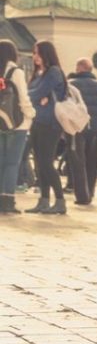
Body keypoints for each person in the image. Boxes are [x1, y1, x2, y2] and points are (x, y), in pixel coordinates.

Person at [25, 40, 67, 214]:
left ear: (46, 54)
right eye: (34, 53)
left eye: (38, 53)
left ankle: (60, 200)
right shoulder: (38, 74)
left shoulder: (54, 72)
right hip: (37, 121)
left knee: (46, 163)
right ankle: (43, 200)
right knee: (39, 164)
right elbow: (33, 94)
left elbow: (35, 93)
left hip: (50, 123)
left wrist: (36, 98)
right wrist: (37, 98)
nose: (35, 57)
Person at [67, 57, 97, 204]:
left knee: (78, 162)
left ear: (79, 68)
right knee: (92, 162)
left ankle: (82, 196)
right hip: (95, 129)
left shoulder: (71, 85)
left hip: (77, 128)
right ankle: (90, 192)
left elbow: (66, 108)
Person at [0, 41, 36, 214]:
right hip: (18, 123)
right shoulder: (16, 72)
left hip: (0, 122)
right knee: (12, 163)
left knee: (1, 162)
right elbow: (23, 97)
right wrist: (31, 114)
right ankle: (8, 201)